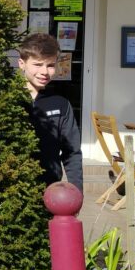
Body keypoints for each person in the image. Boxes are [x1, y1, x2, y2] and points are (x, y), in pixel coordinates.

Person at [18, 33, 83, 192]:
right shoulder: (6, 100)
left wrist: (77, 192)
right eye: (37, 64)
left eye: (50, 65)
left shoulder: (61, 104)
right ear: (22, 64)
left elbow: (72, 152)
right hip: (9, 192)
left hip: (49, 190)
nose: (44, 71)